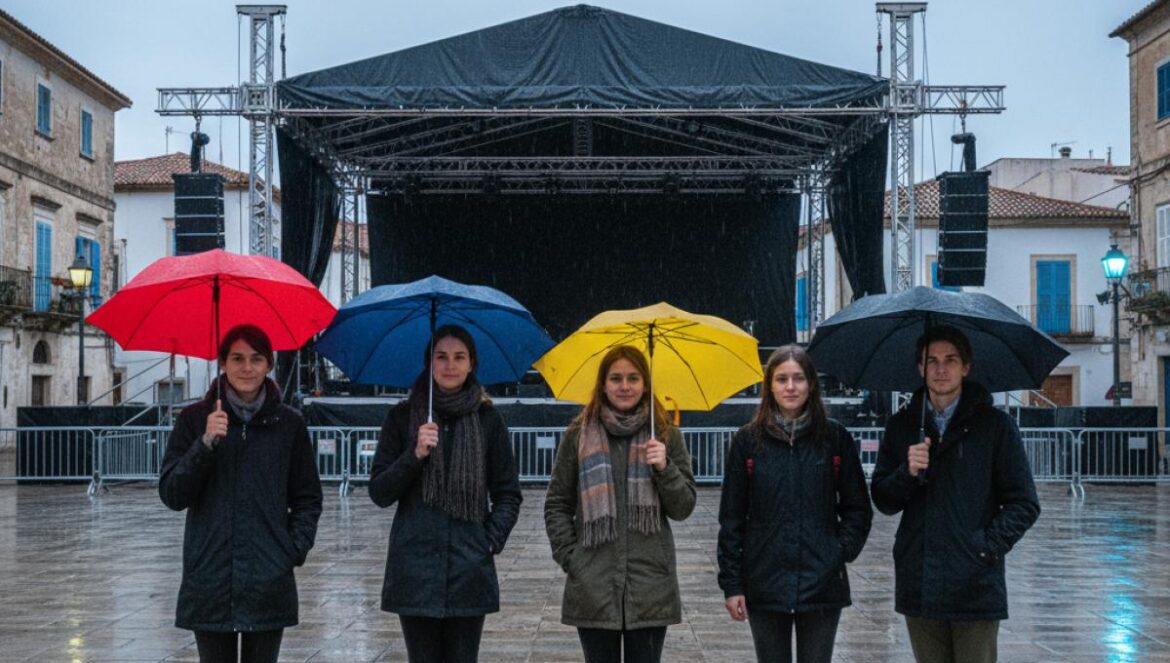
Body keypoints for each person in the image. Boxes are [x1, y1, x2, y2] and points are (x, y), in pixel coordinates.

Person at [871, 325, 1041, 663]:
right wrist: (908, 472)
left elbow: (1024, 502)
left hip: (975, 582)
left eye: (950, 360)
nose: (940, 369)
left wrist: (985, 548)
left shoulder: (995, 427)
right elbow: (884, 499)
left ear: (966, 366)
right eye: (931, 360)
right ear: (920, 369)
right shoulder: (902, 426)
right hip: (920, 577)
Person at [159, 324, 323, 663]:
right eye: (237, 358)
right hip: (210, 576)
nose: (246, 368)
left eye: (256, 358)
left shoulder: (289, 425)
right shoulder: (194, 419)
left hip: (268, 577)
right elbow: (173, 494)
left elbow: (307, 497)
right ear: (223, 363)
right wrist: (204, 445)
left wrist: (291, 549)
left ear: (269, 365)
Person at [368, 325, 522, 663]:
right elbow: (380, 492)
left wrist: (490, 540)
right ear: (429, 363)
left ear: (471, 364)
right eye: (441, 357)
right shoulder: (402, 418)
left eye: (459, 357)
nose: (449, 365)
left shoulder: (487, 420)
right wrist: (415, 454)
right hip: (414, 569)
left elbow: (508, 493)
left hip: (470, 568)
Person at [717, 344, 873, 663]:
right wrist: (732, 584)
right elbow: (731, 519)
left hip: (822, 584)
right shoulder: (747, 442)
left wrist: (837, 552)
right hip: (765, 584)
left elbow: (858, 508)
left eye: (798, 378)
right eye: (782, 379)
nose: (790, 387)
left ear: (811, 384)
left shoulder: (834, 439)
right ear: (769, 386)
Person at [544, 345, 697, 663]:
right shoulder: (579, 435)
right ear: (602, 384)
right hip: (594, 586)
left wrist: (663, 467)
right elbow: (557, 503)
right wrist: (574, 561)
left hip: (651, 587)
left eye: (633, 377)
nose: (624, 386)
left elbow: (683, 507)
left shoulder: (666, 434)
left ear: (645, 383)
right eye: (615, 378)